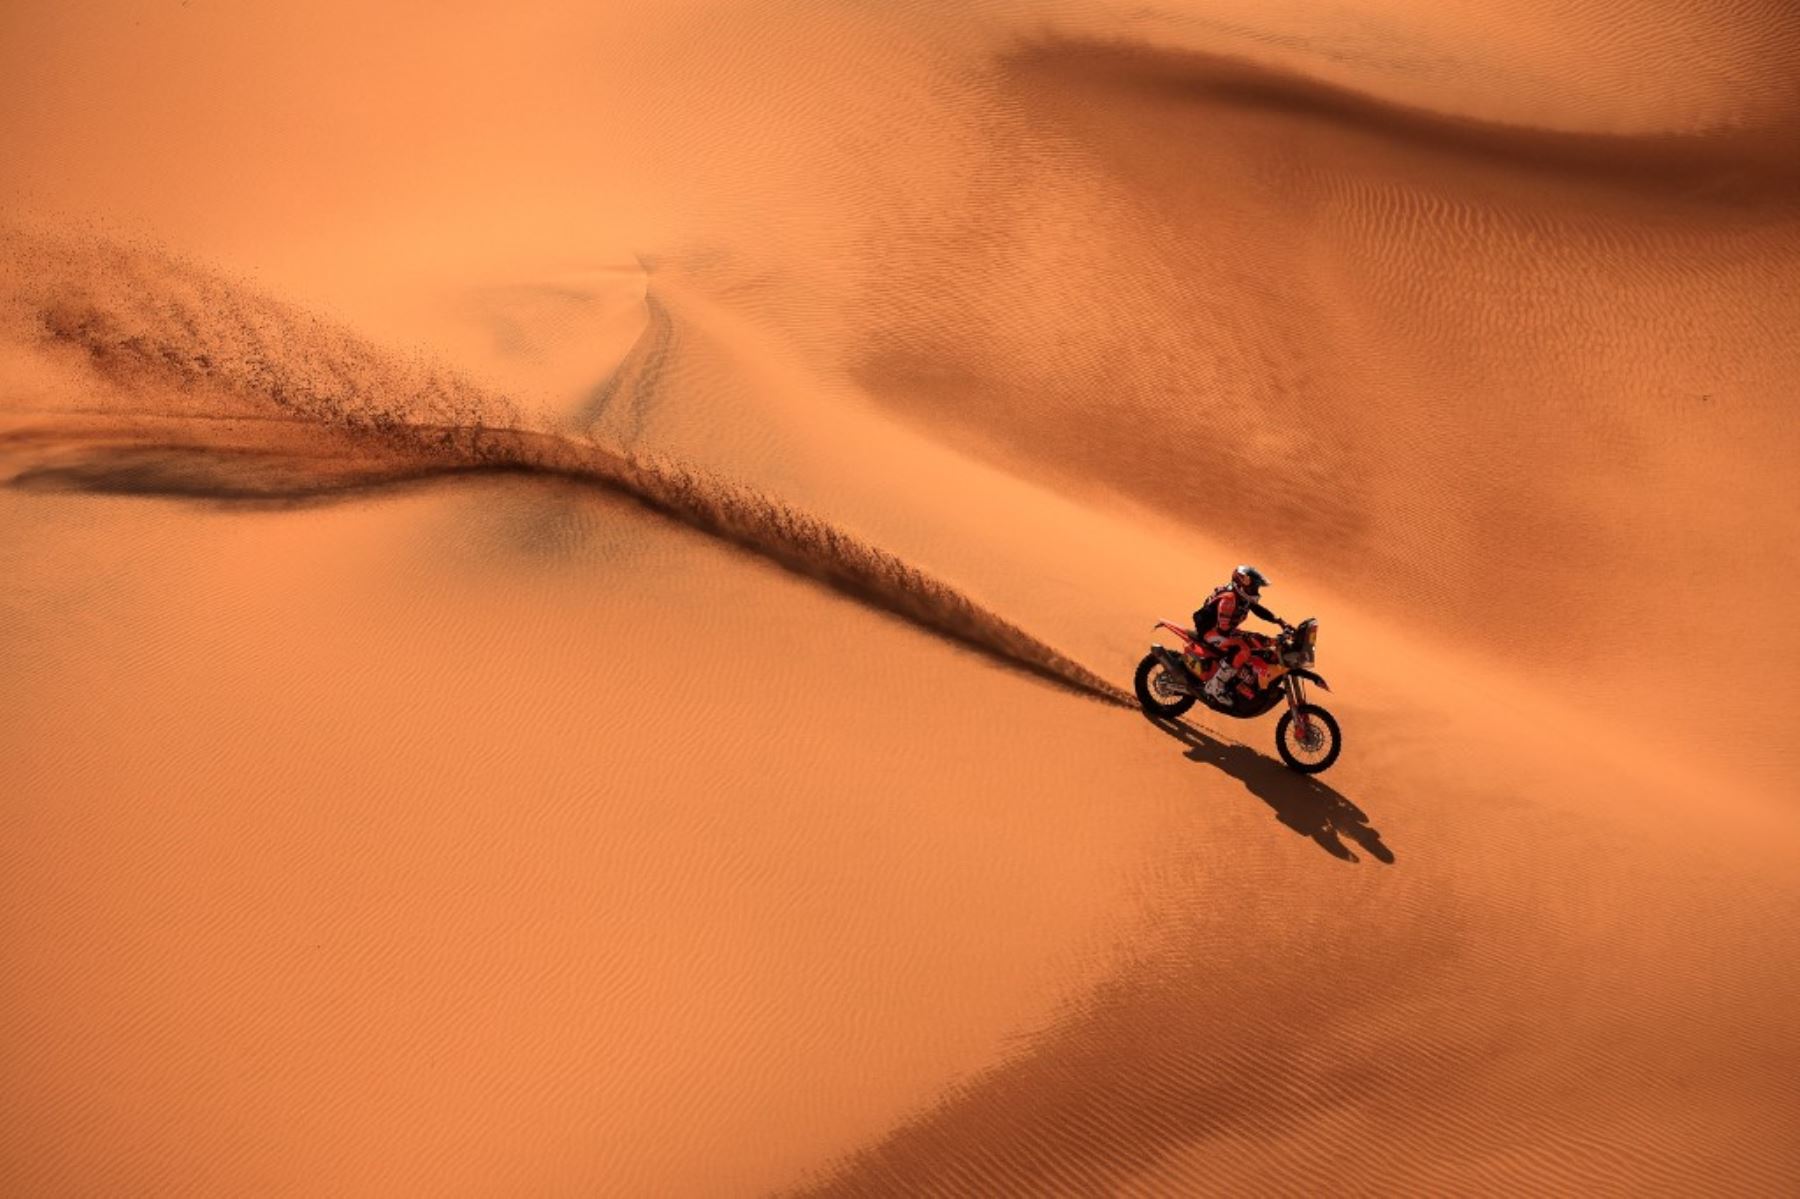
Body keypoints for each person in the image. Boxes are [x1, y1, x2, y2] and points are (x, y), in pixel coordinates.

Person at [1191, 564, 1292, 703]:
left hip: (1223, 629)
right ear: (1242, 584)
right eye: (1254, 587)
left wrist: (1279, 621)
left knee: (1257, 643)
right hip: (1210, 632)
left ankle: (1238, 681)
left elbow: (1258, 609)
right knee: (1242, 648)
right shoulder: (1229, 599)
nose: (1256, 591)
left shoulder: (1241, 596)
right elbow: (1223, 630)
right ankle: (1215, 687)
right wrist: (1250, 638)